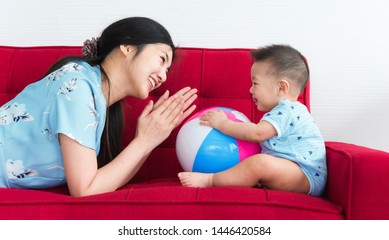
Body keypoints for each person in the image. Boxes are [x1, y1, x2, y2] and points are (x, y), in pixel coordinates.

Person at [0, 17, 197, 197]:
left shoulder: (95, 96)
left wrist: (149, 140)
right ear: (127, 47)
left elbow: (105, 182)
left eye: (167, 70)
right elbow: (85, 190)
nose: (163, 76)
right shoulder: (78, 86)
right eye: (162, 59)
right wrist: (144, 141)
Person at [178, 44, 327, 196]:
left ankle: (210, 180)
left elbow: (256, 134)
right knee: (260, 162)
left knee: (259, 163)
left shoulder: (287, 110)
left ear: (281, 88)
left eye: (255, 83)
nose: (250, 90)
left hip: (304, 174)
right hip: (294, 172)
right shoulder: (286, 111)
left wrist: (223, 124)